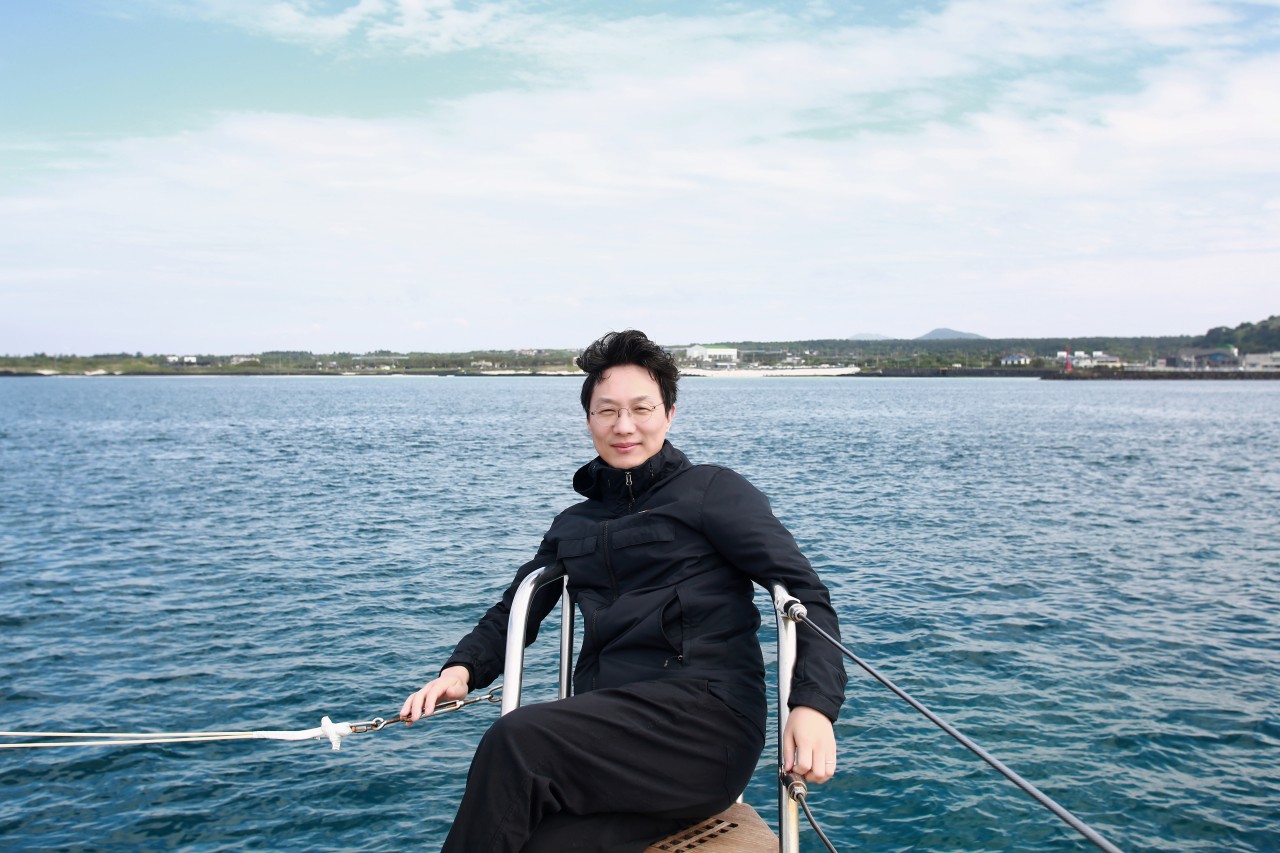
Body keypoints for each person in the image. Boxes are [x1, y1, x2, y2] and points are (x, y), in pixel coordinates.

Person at [402, 330, 847, 852]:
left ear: (669, 414)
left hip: (704, 725)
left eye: (641, 409)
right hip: (614, 736)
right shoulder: (574, 523)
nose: (624, 426)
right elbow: (517, 607)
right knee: (530, 840)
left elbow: (803, 592)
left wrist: (812, 706)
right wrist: (461, 670)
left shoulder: (712, 491)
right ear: (589, 419)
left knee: (517, 740)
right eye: (607, 411)